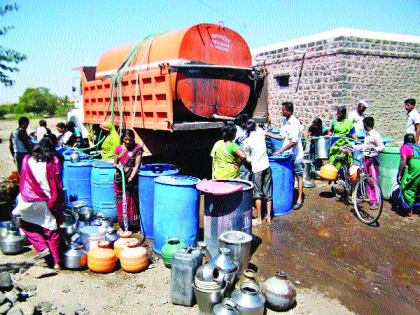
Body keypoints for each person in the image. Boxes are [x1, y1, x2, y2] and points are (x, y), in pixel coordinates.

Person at [12, 137, 65, 270]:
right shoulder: (53, 161)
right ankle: (57, 263)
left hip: (29, 201)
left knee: (25, 225)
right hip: (47, 201)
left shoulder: (27, 160)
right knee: (52, 231)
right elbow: (58, 185)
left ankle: (42, 247)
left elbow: (22, 179)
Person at [268, 102, 305, 210]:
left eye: (283, 110)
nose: (282, 112)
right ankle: (290, 197)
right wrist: (268, 134)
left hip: (296, 154)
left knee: (299, 176)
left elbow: (293, 142)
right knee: (290, 177)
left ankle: (299, 199)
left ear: (289, 111)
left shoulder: (295, 123)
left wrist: (280, 151)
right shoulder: (285, 121)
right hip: (288, 155)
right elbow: (281, 136)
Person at [349, 117, 385, 209]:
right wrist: (352, 146)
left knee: (373, 180)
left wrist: (374, 149)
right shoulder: (367, 135)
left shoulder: (375, 135)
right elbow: (364, 146)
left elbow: (382, 147)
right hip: (366, 159)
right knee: (367, 180)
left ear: (365, 124)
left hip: (372, 160)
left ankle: (375, 201)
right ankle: (368, 197)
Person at [243, 120, 273, 225]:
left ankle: (259, 218)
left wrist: (252, 159)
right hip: (267, 166)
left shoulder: (247, 142)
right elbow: (257, 126)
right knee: (268, 193)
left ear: (247, 130)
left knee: (258, 194)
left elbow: (247, 158)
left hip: (257, 169)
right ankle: (269, 216)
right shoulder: (260, 133)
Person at [113, 129, 143, 232]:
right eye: (125, 139)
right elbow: (115, 163)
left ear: (133, 139)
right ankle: (122, 225)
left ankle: (133, 226)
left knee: (132, 202)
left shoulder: (137, 149)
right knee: (121, 202)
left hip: (131, 180)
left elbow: (136, 166)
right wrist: (119, 167)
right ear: (123, 139)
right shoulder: (118, 149)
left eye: (130, 140)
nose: (127, 142)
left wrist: (130, 178)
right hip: (120, 179)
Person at [397, 134, 420, 220]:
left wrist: (399, 174)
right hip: (417, 168)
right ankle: (418, 209)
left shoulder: (405, 147)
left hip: (416, 168)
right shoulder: (417, 148)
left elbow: (403, 160)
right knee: (418, 188)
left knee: (408, 188)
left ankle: (409, 213)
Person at [234, 114, 252, 181]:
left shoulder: (234, 128)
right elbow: (243, 149)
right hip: (239, 157)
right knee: (244, 172)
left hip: (233, 156)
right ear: (242, 123)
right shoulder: (241, 134)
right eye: (246, 122)